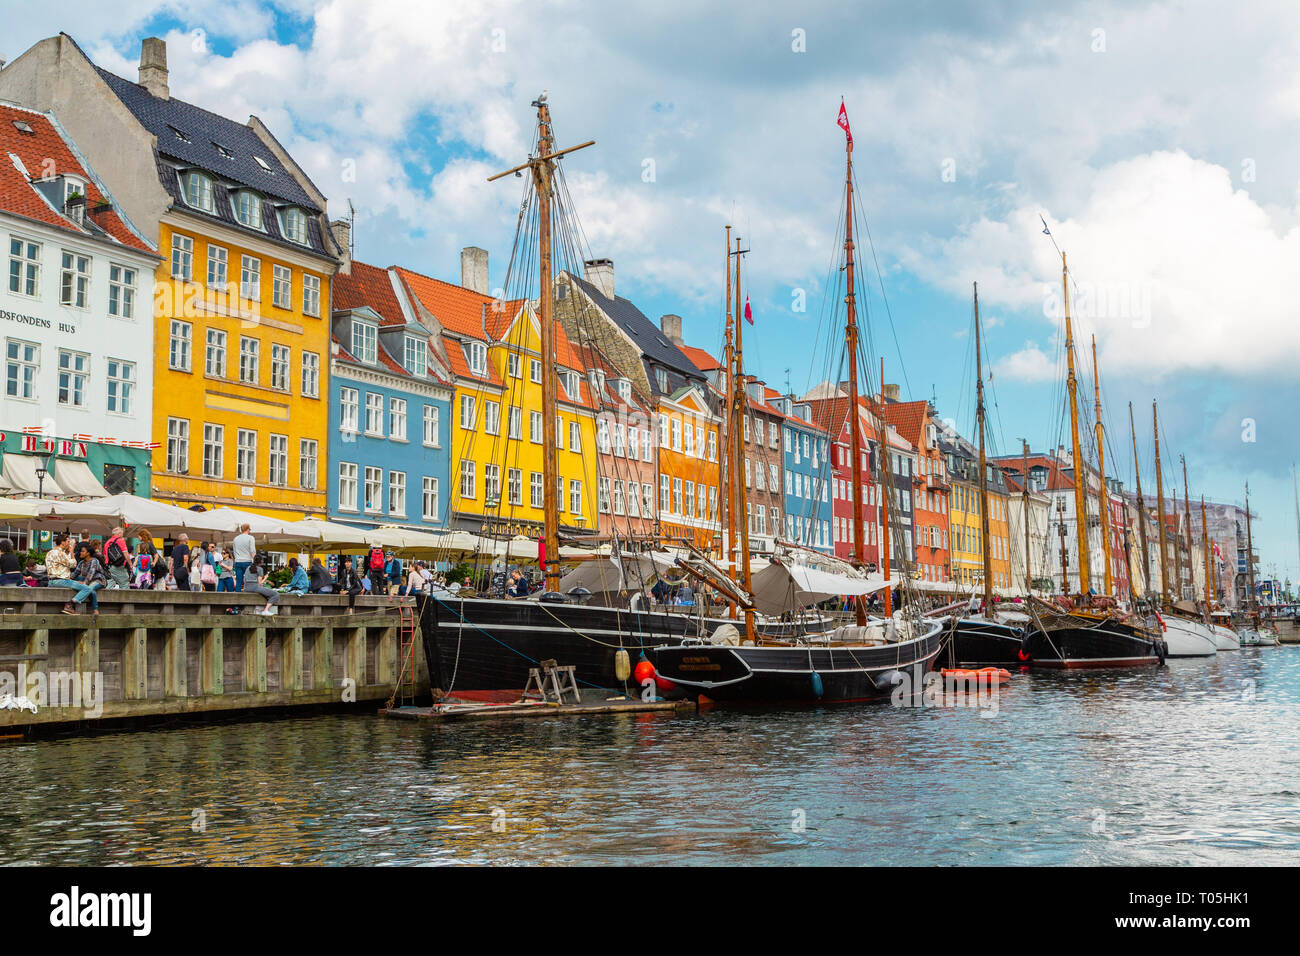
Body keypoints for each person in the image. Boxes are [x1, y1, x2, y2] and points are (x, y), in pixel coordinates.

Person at [62, 541, 107, 616]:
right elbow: (75, 574)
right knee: (90, 590)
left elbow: (91, 573)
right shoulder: (81, 563)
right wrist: (65, 579)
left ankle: (73, 604)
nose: (80, 553)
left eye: (83, 551)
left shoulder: (94, 561)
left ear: (88, 553)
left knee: (90, 588)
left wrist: (84, 583)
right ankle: (95, 609)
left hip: (98, 580)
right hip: (87, 580)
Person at [232, 524, 256, 591]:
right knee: (249, 581)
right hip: (248, 561)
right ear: (248, 529)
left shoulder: (235, 539)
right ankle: (248, 596)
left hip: (238, 561)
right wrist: (255, 563)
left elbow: (234, 551)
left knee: (239, 582)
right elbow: (252, 551)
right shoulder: (250, 538)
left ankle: (237, 597)